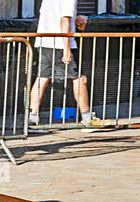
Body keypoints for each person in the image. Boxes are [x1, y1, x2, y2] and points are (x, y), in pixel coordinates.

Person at [28, 0, 101, 129]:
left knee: (42, 77)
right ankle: (87, 117)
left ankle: (32, 117)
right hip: (61, 44)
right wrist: (67, 49)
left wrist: (76, 19)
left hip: (44, 42)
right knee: (79, 78)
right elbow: (63, 20)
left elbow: (56, 17)